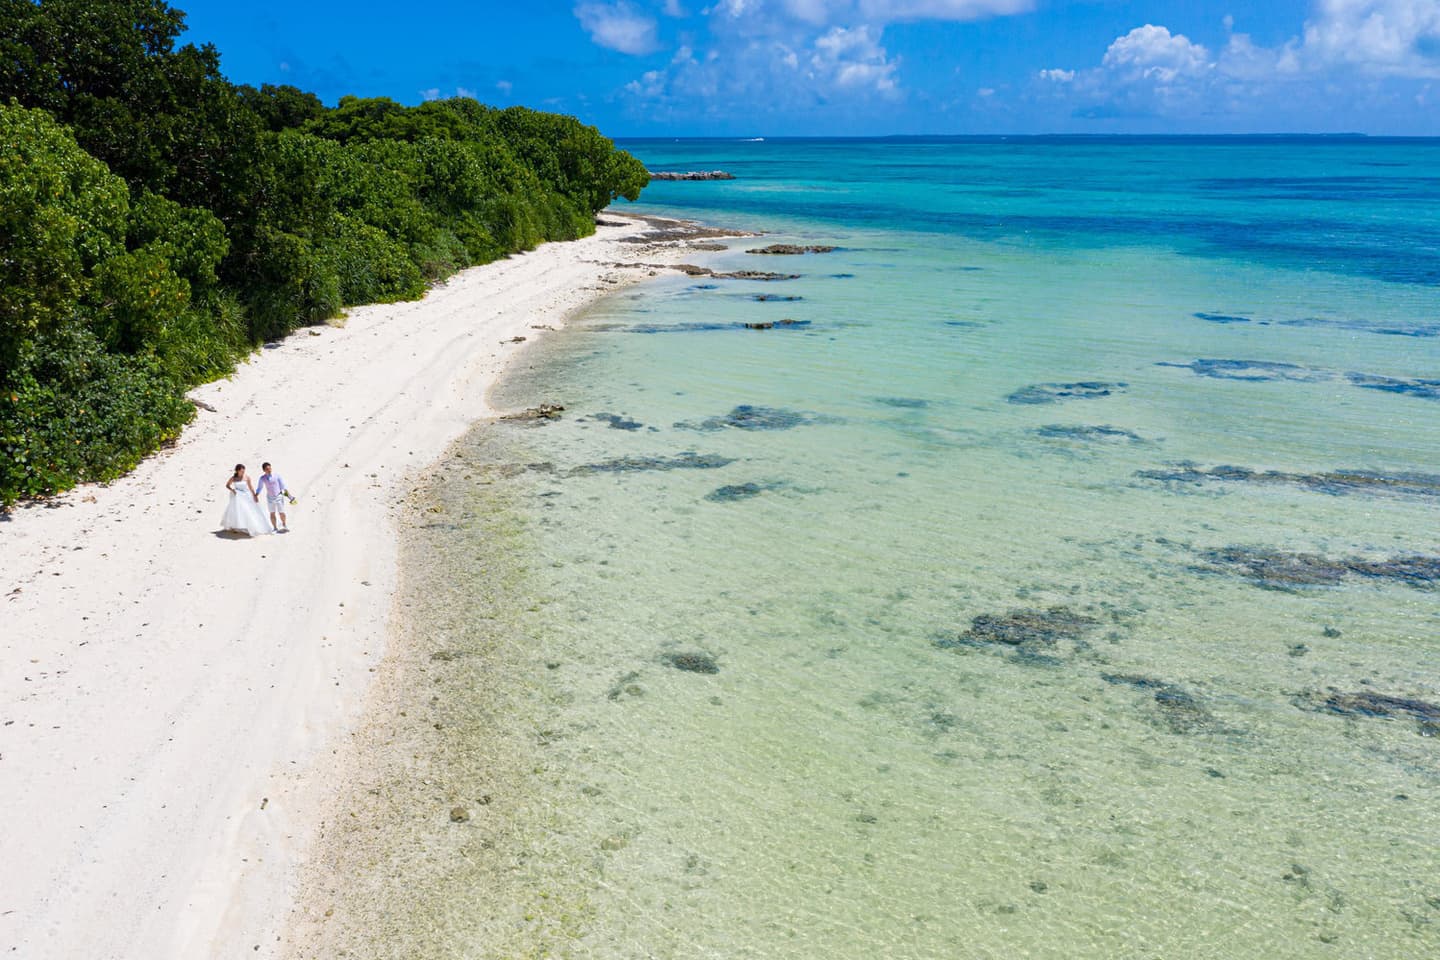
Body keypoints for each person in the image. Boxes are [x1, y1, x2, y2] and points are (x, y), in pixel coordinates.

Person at [220, 464, 273, 536]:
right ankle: (237, 526)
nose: (243, 472)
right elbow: (227, 485)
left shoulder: (247, 477)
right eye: (241, 471)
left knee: (249, 511)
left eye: (243, 471)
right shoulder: (233, 478)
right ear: (237, 471)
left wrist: (255, 496)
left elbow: (251, 487)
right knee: (238, 512)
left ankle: (250, 526)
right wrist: (232, 490)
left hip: (246, 495)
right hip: (238, 496)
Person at [254, 461, 291, 532]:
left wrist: (289, 496)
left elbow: (283, 486)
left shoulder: (277, 475)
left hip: (279, 496)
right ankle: (275, 527)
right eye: (267, 469)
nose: (269, 470)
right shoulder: (262, 478)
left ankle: (284, 524)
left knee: (282, 512)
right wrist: (256, 495)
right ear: (264, 470)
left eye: (270, 468)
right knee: (272, 513)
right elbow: (260, 487)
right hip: (270, 498)